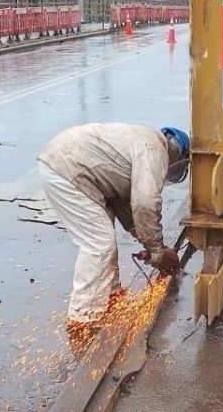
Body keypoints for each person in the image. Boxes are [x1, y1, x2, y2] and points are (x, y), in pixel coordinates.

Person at [37, 123, 187, 331]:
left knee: (104, 236)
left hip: (71, 165)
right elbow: (144, 203)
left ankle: (110, 296)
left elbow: (123, 203)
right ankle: (82, 319)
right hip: (67, 169)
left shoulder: (144, 140)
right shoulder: (155, 151)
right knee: (99, 243)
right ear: (178, 155)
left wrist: (150, 245)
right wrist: (157, 251)